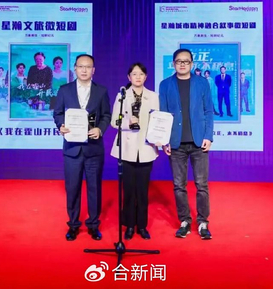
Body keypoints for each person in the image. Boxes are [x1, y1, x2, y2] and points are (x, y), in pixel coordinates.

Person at [53, 54, 111, 241]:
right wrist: (61, 125)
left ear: (94, 70)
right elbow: (58, 113)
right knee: (72, 188)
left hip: (94, 149)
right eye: (81, 66)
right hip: (72, 149)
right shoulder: (65, 90)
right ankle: (73, 225)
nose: (84, 70)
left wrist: (100, 129)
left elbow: (106, 115)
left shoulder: (101, 91)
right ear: (75, 69)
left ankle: (93, 225)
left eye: (88, 67)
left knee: (94, 188)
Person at [159, 48, 214, 240]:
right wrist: (164, 140)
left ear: (192, 64)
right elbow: (163, 114)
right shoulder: (165, 85)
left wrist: (208, 136)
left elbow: (209, 111)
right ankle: (184, 221)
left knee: (201, 184)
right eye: (179, 61)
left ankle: (203, 222)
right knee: (178, 185)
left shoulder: (202, 83)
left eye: (186, 61)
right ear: (173, 64)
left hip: (199, 142)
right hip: (176, 143)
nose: (182, 64)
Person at [110, 63, 159, 240]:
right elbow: (114, 122)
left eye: (141, 74)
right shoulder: (122, 95)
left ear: (146, 77)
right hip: (127, 148)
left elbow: (157, 121)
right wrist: (128, 123)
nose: (138, 77)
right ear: (128, 77)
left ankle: (142, 226)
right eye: (134, 74)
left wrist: (159, 137)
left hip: (146, 147)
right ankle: (130, 225)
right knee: (129, 190)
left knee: (143, 191)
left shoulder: (153, 96)